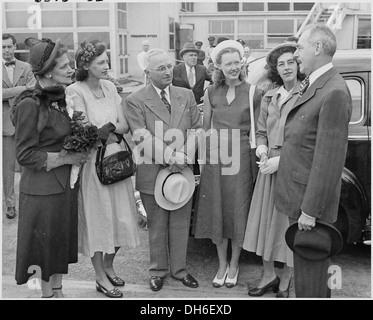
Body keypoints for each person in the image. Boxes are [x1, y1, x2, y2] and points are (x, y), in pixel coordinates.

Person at [274, 25, 352, 298]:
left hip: (309, 206)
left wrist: (310, 210)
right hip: (300, 197)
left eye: (300, 48)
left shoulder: (334, 91)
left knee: (312, 278)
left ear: (318, 48)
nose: (296, 55)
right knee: (307, 274)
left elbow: (329, 159)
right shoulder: (318, 83)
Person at [13, 37, 89, 298]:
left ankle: (57, 292)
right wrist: (66, 158)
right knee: (44, 249)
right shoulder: (29, 104)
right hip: (41, 191)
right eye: (64, 66)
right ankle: (47, 295)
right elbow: (24, 154)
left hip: (62, 187)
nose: (71, 70)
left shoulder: (59, 99)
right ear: (46, 72)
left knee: (57, 245)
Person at [65, 40, 140, 298]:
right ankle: (99, 276)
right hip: (92, 166)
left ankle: (109, 265)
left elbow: (124, 125)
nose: (107, 66)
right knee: (98, 220)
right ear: (85, 65)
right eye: (101, 62)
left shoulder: (109, 87)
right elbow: (85, 133)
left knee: (121, 218)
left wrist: (105, 129)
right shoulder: (75, 91)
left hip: (116, 159)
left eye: (107, 61)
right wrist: (106, 130)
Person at [125, 48, 202, 292]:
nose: (168, 71)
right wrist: (171, 156)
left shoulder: (186, 94)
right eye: (161, 68)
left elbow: (198, 128)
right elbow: (141, 136)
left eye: (170, 66)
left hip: (182, 172)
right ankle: (157, 270)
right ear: (148, 73)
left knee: (180, 223)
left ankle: (179, 270)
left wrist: (185, 156)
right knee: (157, 226)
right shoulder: (135, 99)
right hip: (153, 171)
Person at [194, 40, 262, 289]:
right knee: (217, 211)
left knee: (238, 211)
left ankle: (234, 264)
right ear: (218, 66)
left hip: (242, 159)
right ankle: (221, 263)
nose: (234, 67)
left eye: (237, 62)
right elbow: (206, 128)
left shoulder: (254, 91)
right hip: (216, 159)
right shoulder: (211, 92)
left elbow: (258, 130)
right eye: (228, 63)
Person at [243, 42, 305, 298]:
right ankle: (268, 275)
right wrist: (262, 149)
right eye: (281, 64)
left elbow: (306, 139)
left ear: (299, 65)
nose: (287, 67)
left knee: (285, 225)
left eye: (291, 62)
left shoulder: (307, 94)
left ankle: (286, 279)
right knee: (264, 224)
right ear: (275, 70)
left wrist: (282, 160)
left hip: (292, 167)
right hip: (268, 168)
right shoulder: (269, 96)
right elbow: (260, 131)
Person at [2, 33, 36, 219]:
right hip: (5, 127)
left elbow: (34, 90)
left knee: (27, 165)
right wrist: (22, 90)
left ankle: (27, 201)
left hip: (25, 123)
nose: (6, 50)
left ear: (15, 47)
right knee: (7, 169)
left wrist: (8, 94)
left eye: (9, 46)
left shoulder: (27, 67)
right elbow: (27, 90)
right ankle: (10, 205)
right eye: (3, 47)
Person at [173, 42, 212, 106]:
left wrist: (207, 92)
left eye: (195, 55)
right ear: (184, 57)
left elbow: (215, 80)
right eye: (191, 55)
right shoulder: (175, 70)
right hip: (181, 105)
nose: (194, 58)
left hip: (198, 104)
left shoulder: (202, 70)